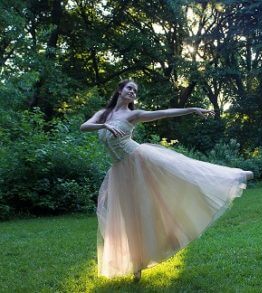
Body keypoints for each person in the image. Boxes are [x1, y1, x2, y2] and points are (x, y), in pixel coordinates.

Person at [80, 79, 253, 279]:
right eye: (130, 88)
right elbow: (84, 127)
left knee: (182, 174)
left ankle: (234, 175)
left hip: (140, 160)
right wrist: (106, 126)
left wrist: (192, 109)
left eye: (136, 91)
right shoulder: (103, 114)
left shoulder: (133, 115)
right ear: (119, 90)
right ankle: (137, 265)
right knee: (131, 215)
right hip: (120, 171)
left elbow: (164, 113)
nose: (133, 92)